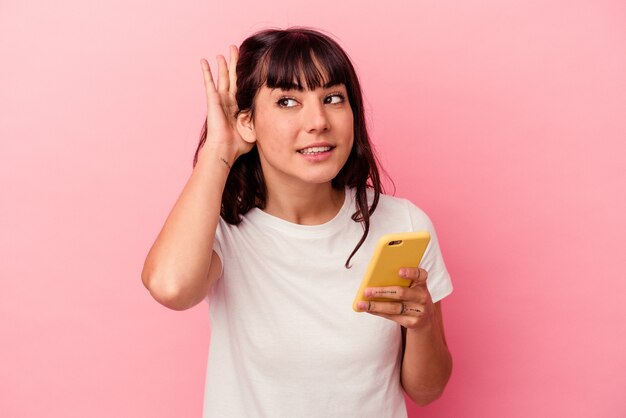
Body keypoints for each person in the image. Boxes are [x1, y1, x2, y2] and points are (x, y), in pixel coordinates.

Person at [142, 27, 453, 418]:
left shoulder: (401, 223)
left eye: (333, 98)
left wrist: (422, 325)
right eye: (287, 101)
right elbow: (171, 287)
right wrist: (218, 149)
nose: (318, 120)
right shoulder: (223, 231)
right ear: (247, 122)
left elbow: (427, 391)